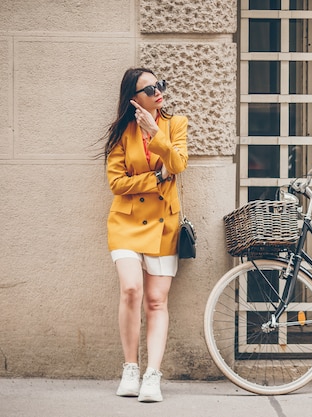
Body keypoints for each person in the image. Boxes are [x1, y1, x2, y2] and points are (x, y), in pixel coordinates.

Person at [102, 68, 188, 402]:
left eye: (160, 85)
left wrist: (156, 135)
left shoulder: (175, 124)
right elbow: (116, 183)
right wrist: (156, 178)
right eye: (149, 88)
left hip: (164, 224)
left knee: (156, 301)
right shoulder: (121, 132)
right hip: (125, 222)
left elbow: (179, 164)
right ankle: (130, 368)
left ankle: (152, 374)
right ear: (133, 98)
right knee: (131, 289)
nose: (158, 92)